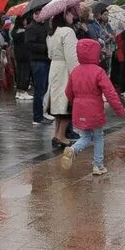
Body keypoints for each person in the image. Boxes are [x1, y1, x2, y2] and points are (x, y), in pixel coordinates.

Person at [61, 38, 125, 176]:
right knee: (98, 136)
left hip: (79, 109)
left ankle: (73, 149)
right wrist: (119, 109)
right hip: (94, 110)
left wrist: (76, 102)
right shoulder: (99, 71)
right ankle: (98, 165)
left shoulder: (75, 71)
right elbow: (110, 93)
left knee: (85, 136)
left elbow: (68, 92)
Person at [45, 10, 80, 149]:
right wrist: (76, 74)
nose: (73, 16)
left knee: (57, 102)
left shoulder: (52, 32)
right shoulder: (67, 32)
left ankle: (57, 134)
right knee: (66, 103)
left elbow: (49, 54)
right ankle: (61, 136)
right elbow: (71, 57)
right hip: (65, 68)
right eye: (70, 13)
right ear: (65, 15)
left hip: (54, 67)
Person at [26, 16, 51, 126]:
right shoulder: (31, 27)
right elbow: (29, 44)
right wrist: (46, 47)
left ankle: (42, 113)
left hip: (45, 60)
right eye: (36, 13)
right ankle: (37, 117)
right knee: (39, 90)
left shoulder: (44, 25)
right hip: (38, 61)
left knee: (44, 89)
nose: (38, 15)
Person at [11, 16, 32, 101]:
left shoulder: (14, 32)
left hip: (17, 54)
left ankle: (19, 91)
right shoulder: (24, 32)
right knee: (25, 72)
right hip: (25, 54)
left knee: (19, 72)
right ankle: (23, 91)